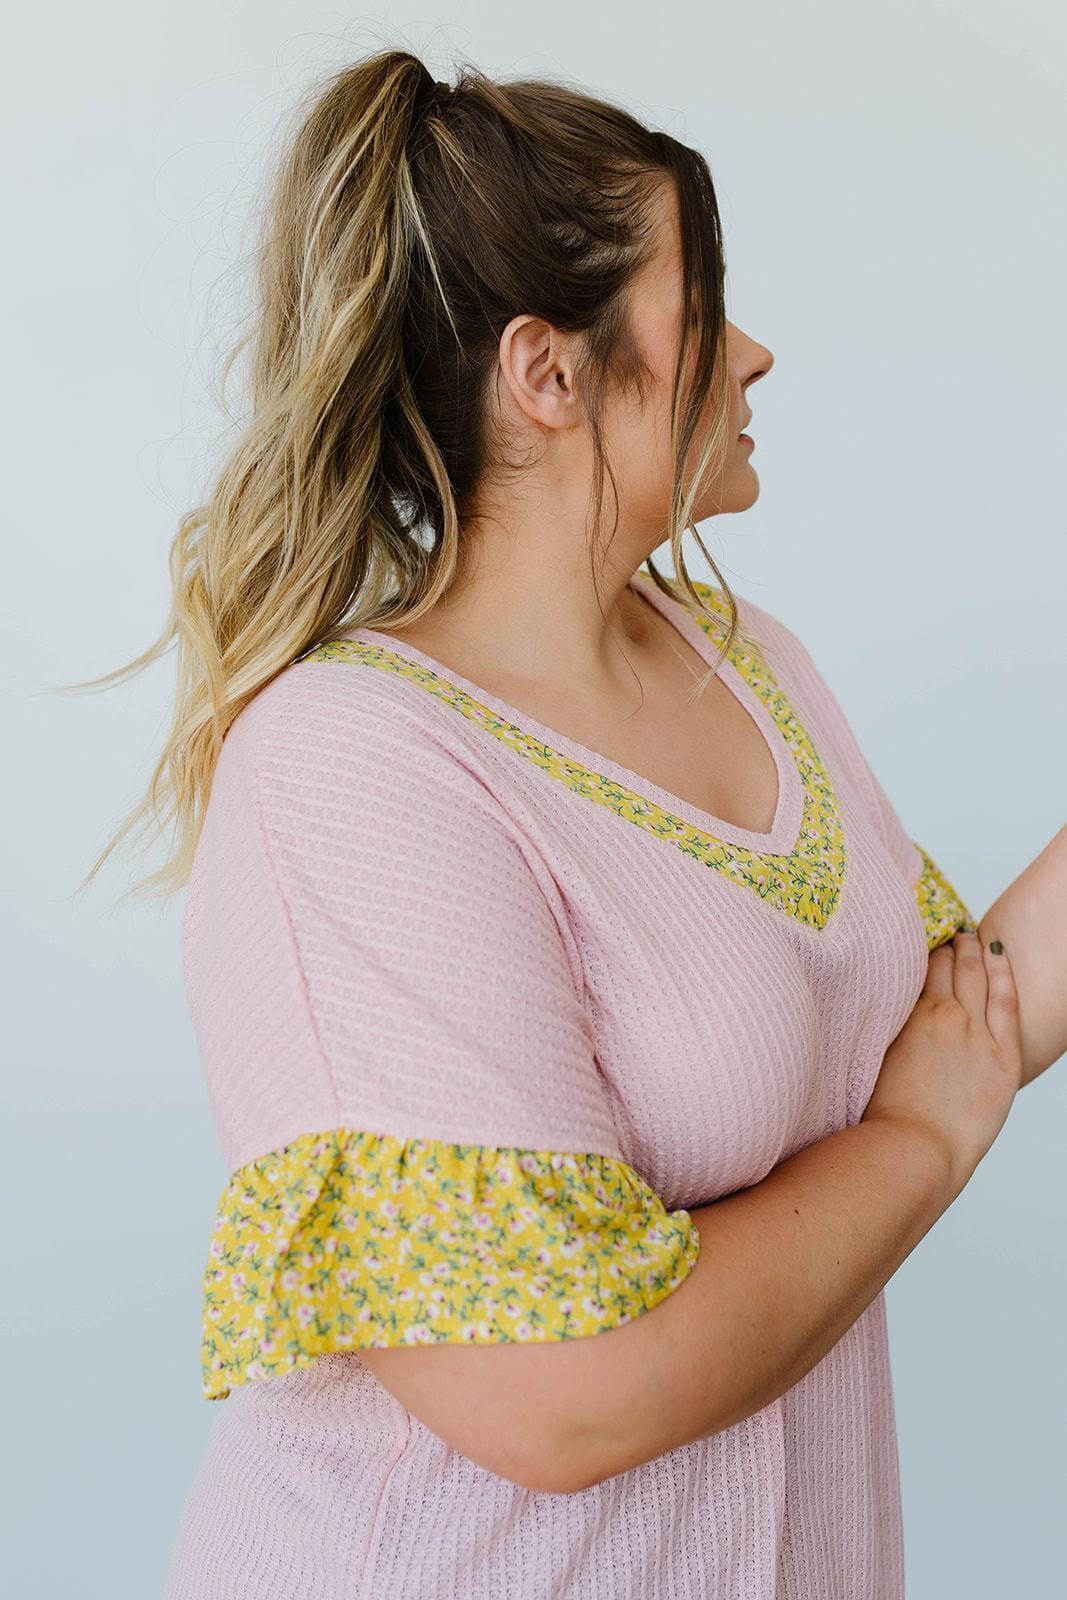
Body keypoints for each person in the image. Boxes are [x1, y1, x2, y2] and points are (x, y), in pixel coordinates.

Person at [124, 44, 1059, 1600]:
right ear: (548, 375)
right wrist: (916, 1145)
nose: (755, 353)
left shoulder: (747, 661)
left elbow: (952, 1023)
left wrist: (934, 1098)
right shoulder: (349, 767)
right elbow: (562, 1398)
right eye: (708, 307)